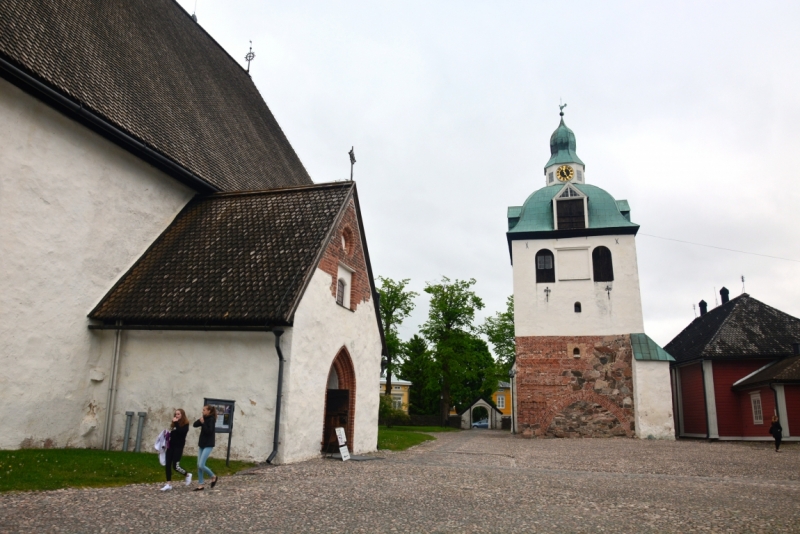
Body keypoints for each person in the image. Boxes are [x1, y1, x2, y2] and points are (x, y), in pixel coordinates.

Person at [161, 409, 192, 491]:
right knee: (168, 464)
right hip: (171, 446)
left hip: (178, 447)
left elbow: (181, 432)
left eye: (178, 414)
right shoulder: (174, 425)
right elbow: (173, 433)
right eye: (175, 414)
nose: (176, 415)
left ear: (182, 415)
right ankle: (168, 483)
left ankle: (187, 475)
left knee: (175, 466)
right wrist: (167, 434)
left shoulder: (185, 424)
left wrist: (176, 423)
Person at [193, 405, 218, 490]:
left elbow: (209, 431)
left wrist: (203, 423)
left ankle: (213, 476)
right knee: (198, 465)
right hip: (202, 444)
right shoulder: (204, 418)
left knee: (201, 464)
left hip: (208, 444)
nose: (202, 411)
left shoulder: (211, 420)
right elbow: (194, 425)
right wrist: (200, 421)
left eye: (204, 410)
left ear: (209, 411)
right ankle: (201, 484)